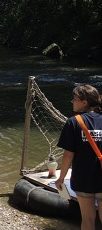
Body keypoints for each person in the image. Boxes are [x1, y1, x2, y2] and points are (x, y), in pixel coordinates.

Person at [55, 85, 102, 230]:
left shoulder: (73, 122)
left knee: (88, 219)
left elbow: (68, 154)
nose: (72, 102)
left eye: (75, 99)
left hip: (83, 179)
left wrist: (61, 178)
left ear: (84, 102)